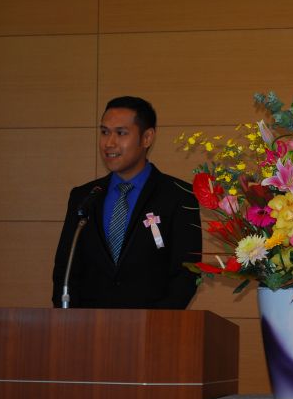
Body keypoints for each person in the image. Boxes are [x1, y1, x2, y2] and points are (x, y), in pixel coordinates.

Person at [52, 96, 201, 308]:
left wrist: (155, 322)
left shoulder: (179, 196)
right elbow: (65, 270)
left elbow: (187, 274)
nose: (109, 143)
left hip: (153, 324)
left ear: (147, 138)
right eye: (105, 132)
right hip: (89, 324)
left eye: (121, 133)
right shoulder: (84, 196)